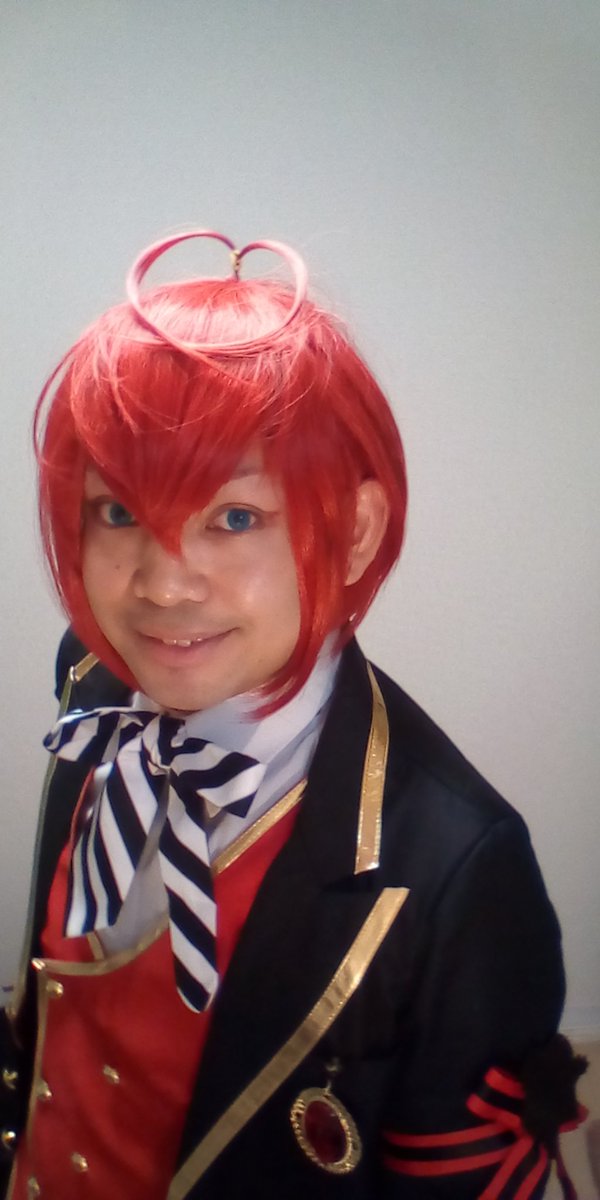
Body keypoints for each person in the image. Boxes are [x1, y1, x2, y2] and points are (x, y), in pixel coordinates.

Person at [0, 231, 585, 1199]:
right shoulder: (93, 681)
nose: (163, 586)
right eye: (118, 513)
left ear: (353, 531)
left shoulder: (460, 871)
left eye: (235, 518)